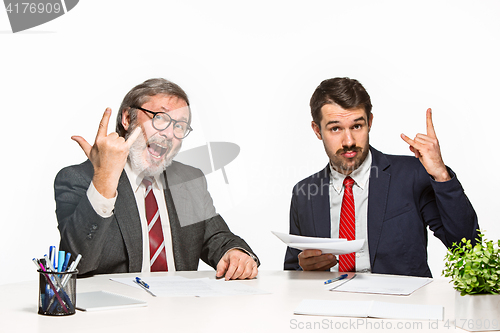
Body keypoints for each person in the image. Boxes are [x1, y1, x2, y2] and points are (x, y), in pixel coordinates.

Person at [55, 78, 259, 280]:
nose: (169, 133)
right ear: (127, 118)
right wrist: (104, 179)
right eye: (160, 118)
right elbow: (76, 264)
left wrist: (235, 253)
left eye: (180, 126)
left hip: (181, 306)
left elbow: (215, 236)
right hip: (119, 310)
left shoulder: (189, 179)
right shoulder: (77, 178)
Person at [284, 77, 478, 277]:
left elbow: (467, 246)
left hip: (400, 304)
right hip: (330, 301)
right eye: (335, 128)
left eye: (357, 126)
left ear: (370, 122)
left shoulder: (412, 175)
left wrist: (440, 174)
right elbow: (292, 271)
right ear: (317, 130)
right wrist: (305, 269)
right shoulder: (304, 193)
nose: (348, 141)